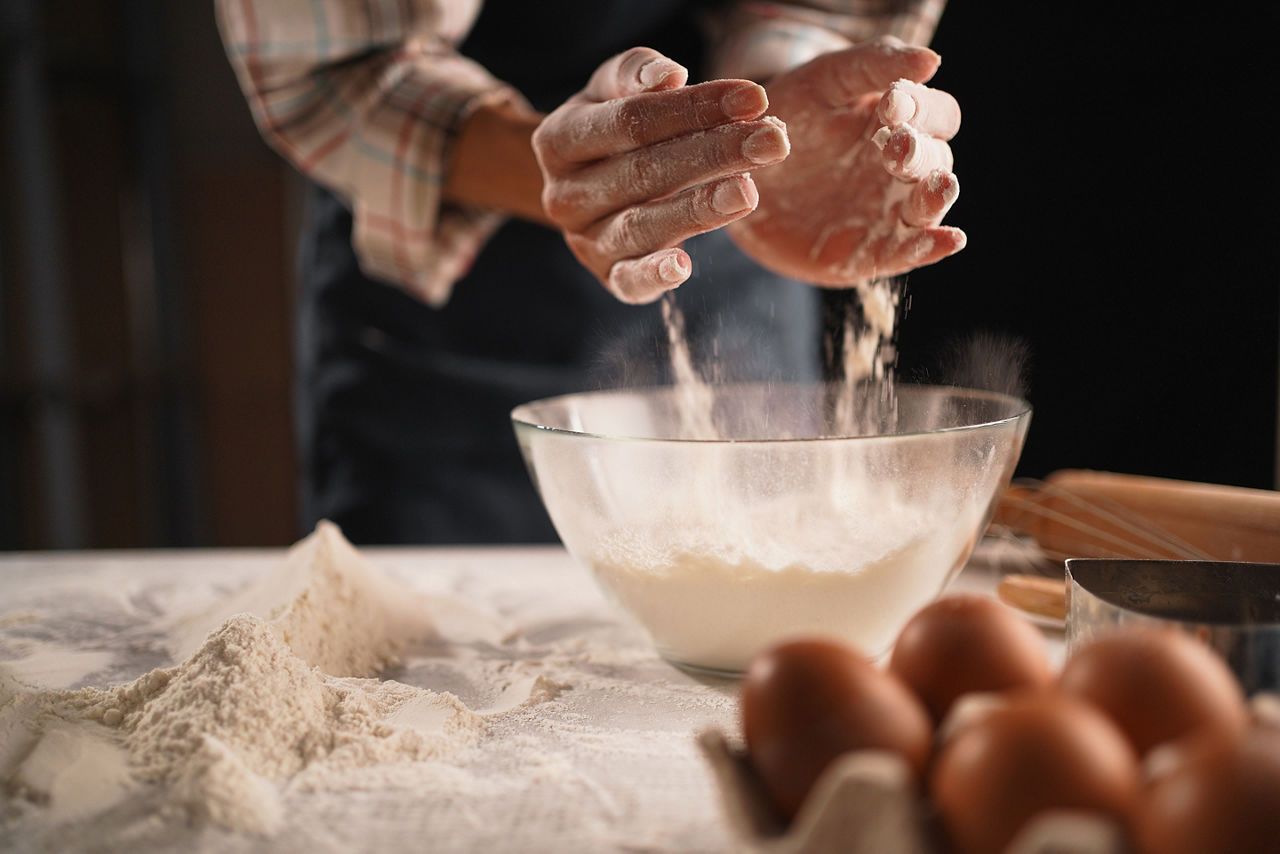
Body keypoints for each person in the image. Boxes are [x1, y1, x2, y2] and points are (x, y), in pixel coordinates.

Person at [213, 0, 964, 545]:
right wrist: (564, 171)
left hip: (735, 245)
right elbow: (336, 67)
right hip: (436, 316)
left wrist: (782, 113)